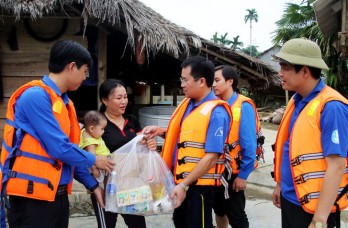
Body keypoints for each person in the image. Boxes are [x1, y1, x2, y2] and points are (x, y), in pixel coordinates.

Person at [0, 40, 115, 228]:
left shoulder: (65, 103)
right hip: (33, 199)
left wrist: (93, 185)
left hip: (57, 196)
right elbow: (59, 148)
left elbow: (68, 155)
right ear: (71, 66)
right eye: (85, 71)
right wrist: (94, 159)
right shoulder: (35, 96)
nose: (85, 77)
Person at [143, 56, 232, 228]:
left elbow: (212, 157)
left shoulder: (217, 112)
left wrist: (184, 185)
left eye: (185, 80)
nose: (182, 84)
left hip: (199, 188)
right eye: (181, 79)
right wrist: (161, 132)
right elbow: (187, 138)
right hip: (180, 182)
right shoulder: (188, 105)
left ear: (202, 81)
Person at [271, 38, 348, 228]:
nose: (280, 74)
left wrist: (320, 220)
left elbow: (337, 166)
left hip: (314, 210)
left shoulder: (332, 107)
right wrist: (280, 185)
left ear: (305, 71)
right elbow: (290, 149)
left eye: (285, 67)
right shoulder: (296, 102)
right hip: (291, 198)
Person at [92, 79, 156, 228]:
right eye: (118, 98)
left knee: (138, 225)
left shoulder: (132, 121)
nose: (124, 101)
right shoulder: (96, 124)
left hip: (131, 186)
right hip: (107, 186)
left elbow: (142, 147)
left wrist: (149, 144)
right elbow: (87, 150)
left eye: (125, 97)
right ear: (105, 100)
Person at [212, 65, 259, 228]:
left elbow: (250, 145)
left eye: (217, 80)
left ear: (230, 81)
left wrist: (243, 176)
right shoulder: (215, 104)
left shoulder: (243, 106)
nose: (213, 84)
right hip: (215, 170)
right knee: (219, 211)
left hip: (234, 173)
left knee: (237, 215)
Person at [79, 110, 110, 183]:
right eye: (102, 129)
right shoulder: (90, 142)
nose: (103, 131)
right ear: (92, 128)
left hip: (102, 163)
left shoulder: (86, 132)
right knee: (100, 184)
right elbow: (91, 157)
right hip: (98, 166)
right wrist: (94, 169)